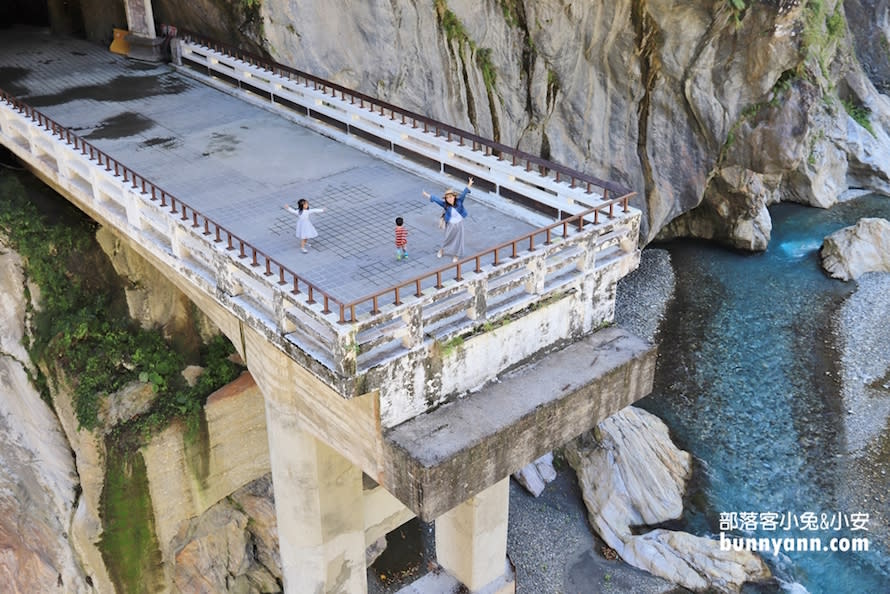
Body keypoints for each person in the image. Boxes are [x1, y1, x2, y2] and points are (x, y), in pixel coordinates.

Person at [423, 176, 473, 262]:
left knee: (459, 239)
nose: (449, 199)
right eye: (448, 197)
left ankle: (456, 255)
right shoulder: (445, 204)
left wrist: (469, 184)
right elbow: (436, 199)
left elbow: (464, 193)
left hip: (459, 224)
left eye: (451, 197)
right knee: (447, 238)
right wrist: (427, 195)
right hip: (450, 224)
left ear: (454, 197)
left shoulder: (459, 201)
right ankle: (442, 250)